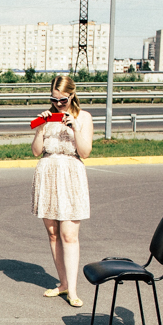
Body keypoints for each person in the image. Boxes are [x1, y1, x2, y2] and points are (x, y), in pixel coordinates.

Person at [31, 75, 93, 307]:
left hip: (71, 174)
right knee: (53, 233)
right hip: (48, 174)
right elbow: (36, 151)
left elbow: (85, 152)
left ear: (72, 95)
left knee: (69, 235)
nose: (58, 104)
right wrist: (40, 129)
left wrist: (76, 128)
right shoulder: (46, 117)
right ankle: (63, 283)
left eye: (63, 100)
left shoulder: (83, 117)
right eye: (54, 99)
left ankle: (73, 290)